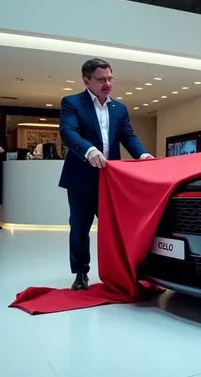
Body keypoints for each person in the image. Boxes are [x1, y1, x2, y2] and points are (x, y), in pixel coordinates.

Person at [59, 58, 154, 291]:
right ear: (87, 81)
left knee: (117, 229)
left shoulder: (119, 108)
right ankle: (81, 273)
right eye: (102, 79)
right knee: (80, 227)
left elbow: (129, 137)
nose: (108, 84)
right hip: (81, 178)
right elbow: (68, 132)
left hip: (111, 180)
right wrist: (88, 150)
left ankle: (122, 271)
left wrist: (143, 155)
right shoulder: (72, 103)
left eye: (110, 78)